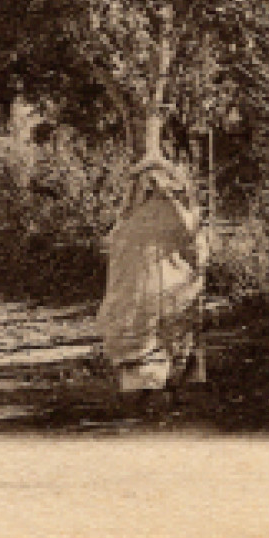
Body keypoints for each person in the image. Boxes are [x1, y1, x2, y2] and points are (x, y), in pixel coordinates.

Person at [96, 155, 209, 408]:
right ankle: (151, 386)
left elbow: (196, 246)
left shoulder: (178, 216)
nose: (156, 188)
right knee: (146, 332)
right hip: (141, 290)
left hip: (169, 285)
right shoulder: (132, 220)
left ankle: (171, 383)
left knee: (173, 331)